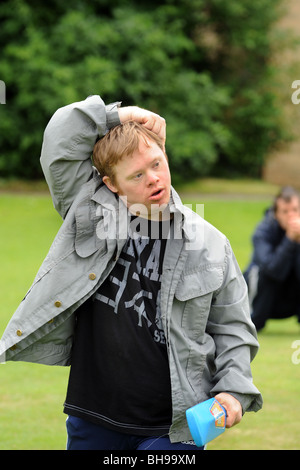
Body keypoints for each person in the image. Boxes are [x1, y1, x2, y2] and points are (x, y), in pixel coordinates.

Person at [0, 95, 262, 450]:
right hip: (93, 416)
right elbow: (59, 142)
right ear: (111, 184)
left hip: (174, 427)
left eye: (157, 163)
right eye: (137, 175)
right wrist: (119, 115)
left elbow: (234, 327)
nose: (154, 179)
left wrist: (232, 389)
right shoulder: (89, 214)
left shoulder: (211, 245)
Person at [244, 186, 300, 332]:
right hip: (262, 300)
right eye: (285, 211)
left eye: (295, 210)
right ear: (275, 214)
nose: (291, 216)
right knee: (264, 272)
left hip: (291, 301)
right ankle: (253, 322)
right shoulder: (262, 232)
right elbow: (272, 270)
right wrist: (290, 239)